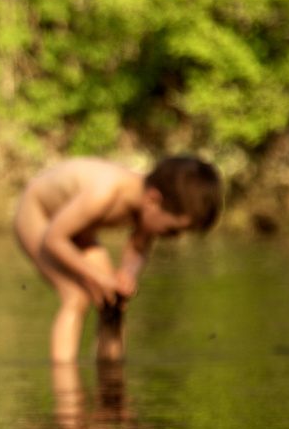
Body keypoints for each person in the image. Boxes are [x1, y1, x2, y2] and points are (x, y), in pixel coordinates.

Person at [14, 156, 221, 364]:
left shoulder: (151, 203)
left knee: (114, 302)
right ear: (152, 200)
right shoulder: (103, 195)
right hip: (40, 214)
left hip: (76, 229)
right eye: (172, 230)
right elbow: (54, 239)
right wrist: (99, 278)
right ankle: (65, 385)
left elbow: (138, 246)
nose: (174, 239)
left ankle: (111, 380)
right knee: (76, 296)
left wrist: (127, 275)